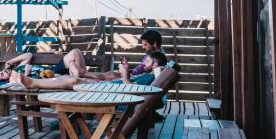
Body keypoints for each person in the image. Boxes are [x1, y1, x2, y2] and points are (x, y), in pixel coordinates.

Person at [12, 51, 167, 90]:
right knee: (71, 79)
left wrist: (125, 74)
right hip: (111, 88)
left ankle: (33, 83)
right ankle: (34, 82)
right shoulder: (148, 75)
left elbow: (132, 89)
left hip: (111, 92)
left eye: (147, 60)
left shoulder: (150, 78)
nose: (143, 62)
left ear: (155, 65)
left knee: (72, 80)